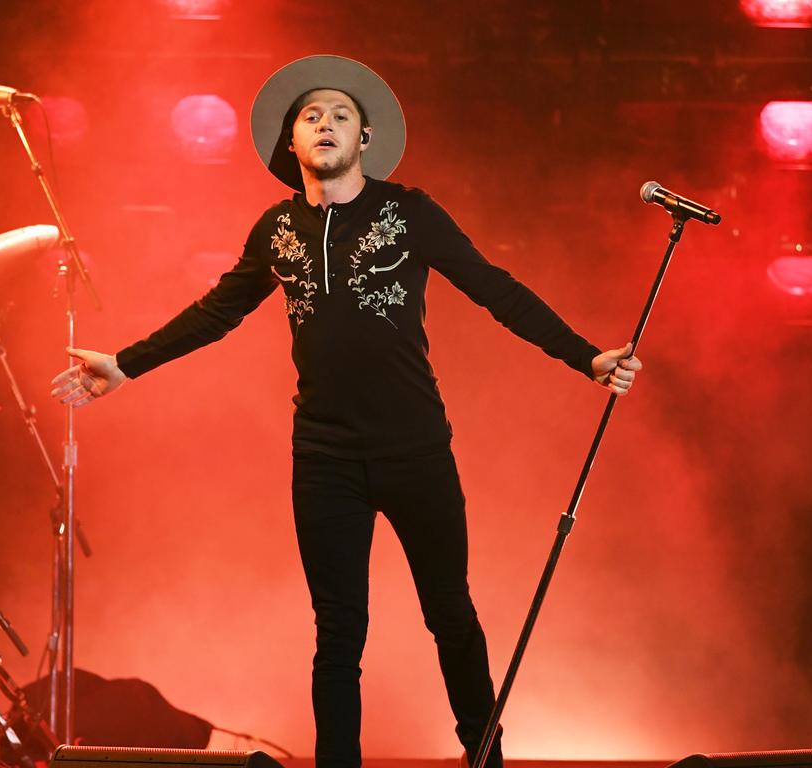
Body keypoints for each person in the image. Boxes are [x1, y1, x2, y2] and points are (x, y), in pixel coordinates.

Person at [51, 55, 641, 768]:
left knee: (450, 616)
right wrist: (126, 362)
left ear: (364, 139)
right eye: (310, 116)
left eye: (340, 115)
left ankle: (484, 758)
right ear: (290, 145)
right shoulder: (276, 231)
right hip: (325, 458)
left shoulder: (409, 212)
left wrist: (585, 356)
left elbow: (495, 288)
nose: (325, 124)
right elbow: (216, 313)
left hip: (416, 450)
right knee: (338, 633)